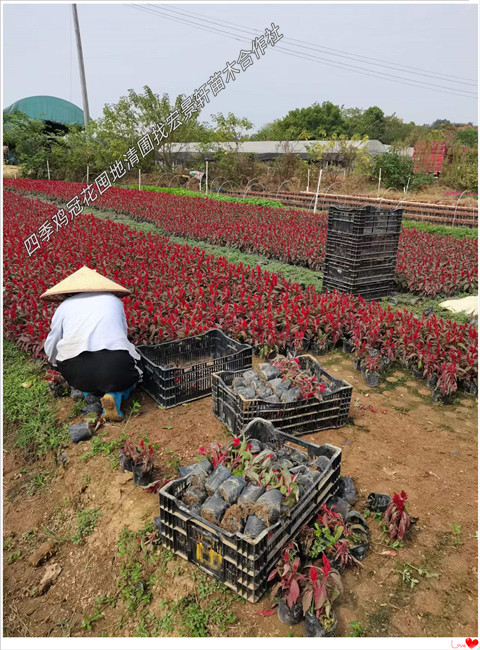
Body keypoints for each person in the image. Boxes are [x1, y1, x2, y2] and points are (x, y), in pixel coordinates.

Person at [42, 266, 142, 421]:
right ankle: (114, 396)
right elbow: (122, 335)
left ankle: (90, 394)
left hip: (76, 369)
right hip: (115, 365)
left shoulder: (63, 307)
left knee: (85, 378)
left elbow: (52, 342)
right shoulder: (113, 300)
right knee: (136, 375)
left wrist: (54, 363)